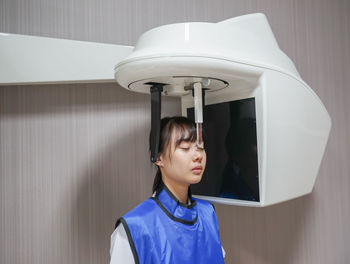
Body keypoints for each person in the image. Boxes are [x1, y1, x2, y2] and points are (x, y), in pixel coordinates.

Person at [110, 116, 226, 263]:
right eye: (185, 148)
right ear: (158, 158)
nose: (198, 156)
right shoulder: (134, 227)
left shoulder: (208, 213)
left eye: (201, 147)